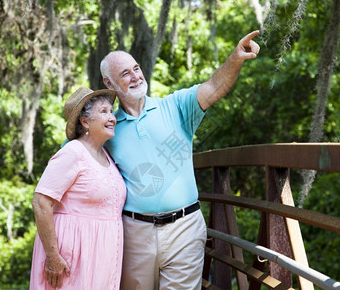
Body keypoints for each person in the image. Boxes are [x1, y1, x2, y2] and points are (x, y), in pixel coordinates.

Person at [99, 30, 260, 289]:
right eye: (125, 73)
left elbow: (212, 87)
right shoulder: (106, 127)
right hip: (134, 232)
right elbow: (75, 157)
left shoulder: (175, 105)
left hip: (184, 228)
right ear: (109, 83)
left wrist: (236, 57)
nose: (136, 76)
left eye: (136, 68)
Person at [30, 87, 126, 289]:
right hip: (72, 256)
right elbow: (40, 202)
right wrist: (53, 256)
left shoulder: (106, 155)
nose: (112, 117)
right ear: (84, 121)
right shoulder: (73, 152)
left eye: (111, 111)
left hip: (102, 256)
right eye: (104, 112)